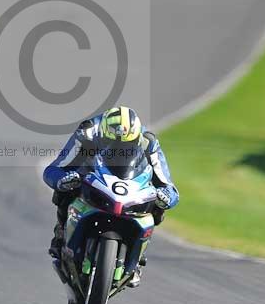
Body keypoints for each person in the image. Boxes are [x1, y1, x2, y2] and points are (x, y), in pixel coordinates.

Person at [43, 106, 179, 286]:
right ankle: (61, 233)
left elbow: (168, 185)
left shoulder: (148, 142)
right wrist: (63, 179)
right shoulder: (87, 132)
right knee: (66, 187)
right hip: (92, 175)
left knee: (158, 203)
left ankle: (137, 259)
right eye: (112, 144)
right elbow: (55, 168)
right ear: (103, 134)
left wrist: (166, 197)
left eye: (126, 146)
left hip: (129, 183)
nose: (119, 150)